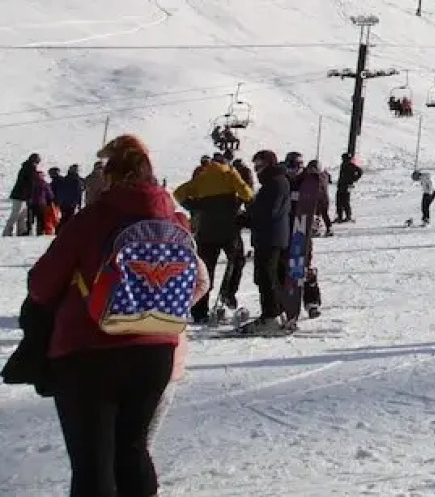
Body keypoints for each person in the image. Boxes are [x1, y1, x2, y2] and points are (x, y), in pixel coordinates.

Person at [24, 134, 206, 496]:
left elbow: (41, 286)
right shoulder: (175, 220)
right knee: (133, 452)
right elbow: (199, 282)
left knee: (93, 464)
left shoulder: (91, 219)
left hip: (88, 350)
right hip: (157, 351)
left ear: (109, 175)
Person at [173, 154, 254, 323]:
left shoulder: (202, 177)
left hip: (206, 231)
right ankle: (228, 294)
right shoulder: (230, 174)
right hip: (229, 230)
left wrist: (196, 207)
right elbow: (248, 194)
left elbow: (178, 193)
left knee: (206, 270)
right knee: (236, 261)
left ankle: (199, 310)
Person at [242, 149, 292, 333]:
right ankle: (276, 313)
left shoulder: (276, 183)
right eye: (255, 166)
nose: (256, 170)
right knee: (268, 276)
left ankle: (271, 316)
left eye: (259, 166)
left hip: (271, 236)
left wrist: (247, 218)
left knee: (267, 277)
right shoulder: (274, 182)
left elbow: (268, 212)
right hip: (270, 235)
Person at [6, 153, 41, 236]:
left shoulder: (27, 167)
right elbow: (30, 183)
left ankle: (21, 232)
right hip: (20, 195)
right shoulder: (30, 168)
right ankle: (7, 232)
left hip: (22, 195)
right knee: (16, 214)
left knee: (22, 215)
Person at [335, 152, 363, 224]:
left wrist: (354, 179)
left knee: (345, 201)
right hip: (341, 185)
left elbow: (360, 171)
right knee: (339, 202)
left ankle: (348, 216)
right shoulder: (344, 165)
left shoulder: (351, 165)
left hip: (347, 185)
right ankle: (340, 217)